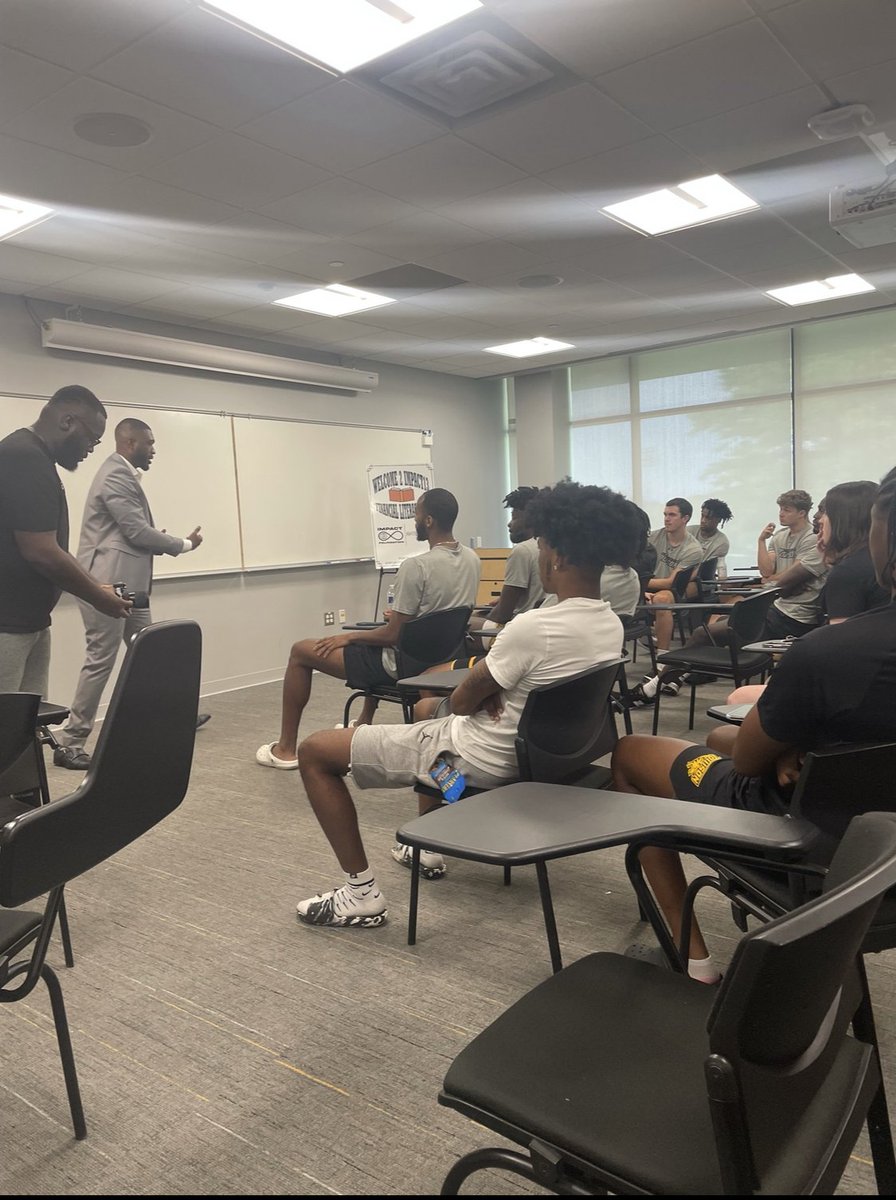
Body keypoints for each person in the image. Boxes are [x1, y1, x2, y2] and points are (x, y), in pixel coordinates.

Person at [291, 480, 641, 928]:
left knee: (317, 752)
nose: (538, 554)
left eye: (543, 544)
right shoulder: (608, 622)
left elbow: (459, 701)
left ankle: (360, 895)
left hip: (479, 761)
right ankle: (430, 842)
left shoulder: (532, 628)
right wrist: (491, 691)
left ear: (559, 556)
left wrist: (482, 692)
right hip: (543, 758)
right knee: (422, 715)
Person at [609, 467, 896, 984]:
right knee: (721, 735)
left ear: (882, 536)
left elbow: (746, 764)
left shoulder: (829, 652)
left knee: (632, 751)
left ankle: (691, 962)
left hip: (807, 844)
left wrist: (786, 745)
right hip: (884, 843)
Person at [256, 487, 480, 770]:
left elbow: (392, 635)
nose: (413, 520)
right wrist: (401, 618)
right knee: (375, 638)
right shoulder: (473, 559)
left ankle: (286, 749)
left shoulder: (415, 566)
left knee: (300, 651)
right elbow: (439, 614)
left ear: (429, 521)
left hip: (402, 664)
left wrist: (347, 637)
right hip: (442, 661)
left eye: (416, 514)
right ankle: (363, 722)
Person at [53, 418, 206, 770]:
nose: (153, 450)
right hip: (106, 586)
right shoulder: (115, 475)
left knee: (149, 652)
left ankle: (172, 717)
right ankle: (71, 742)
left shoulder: (122, 475)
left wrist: (152, 537)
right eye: (149, 443)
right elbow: (136, 532)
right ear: (129, 443)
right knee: (100, 661)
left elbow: (127, 532)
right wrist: (183, 544)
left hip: (129, 584)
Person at [0, 385, 132, 698]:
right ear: (67, 421)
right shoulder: (23, 456)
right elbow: (41, 552)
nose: (92, 447)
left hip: (28, 623)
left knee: (26, 728)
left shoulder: (36, 457)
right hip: (7, 626)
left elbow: (52, 548)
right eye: (92, 438)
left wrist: (98, 586)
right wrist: (98, 598)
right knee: (6, 731)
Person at [726, 479, 888, 709]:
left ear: (843, 520)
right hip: (877, 684)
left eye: (826, 513)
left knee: (736, 704)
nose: (819, 520)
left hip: (860, 696)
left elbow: (842, 651)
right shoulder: (876, 562)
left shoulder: (849, 573)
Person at [469, 485, 545, 646]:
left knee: (465, 623)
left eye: (515, 517)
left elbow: (502, 615)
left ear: (530, 519)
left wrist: (481, 618)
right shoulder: (550, 546)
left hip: (519, 633)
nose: (509, 524)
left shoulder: (522, 551)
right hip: (541, 626)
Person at [757, 488, 828, 639]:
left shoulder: (813, 537)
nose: (781, 513)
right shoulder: (779, 536)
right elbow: (766, 572)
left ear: (802, 513)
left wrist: (771, 581)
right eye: (781, 509)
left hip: (797, 613)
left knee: (732, 628)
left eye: (787, 510)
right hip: (779, 603)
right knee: (729, 619)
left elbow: (792, 576)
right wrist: (761, 541)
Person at [642, 498, 703, 653]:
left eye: (672, 515)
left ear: (685, 518)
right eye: (665, 514)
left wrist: (640, 584)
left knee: (661, 600)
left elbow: (670, 583)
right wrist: (640, 589)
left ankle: (662, 657)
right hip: (647, 585)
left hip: (672, 590)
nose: (666, 519)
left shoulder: (693, 549)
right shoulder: (652, 538)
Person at [688, 498, 732, 573]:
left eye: (708, 518)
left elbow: (704, 570)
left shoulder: (722, 543)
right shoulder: (688, 531)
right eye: (702, 516)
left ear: (719, 520)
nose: (703, 520)